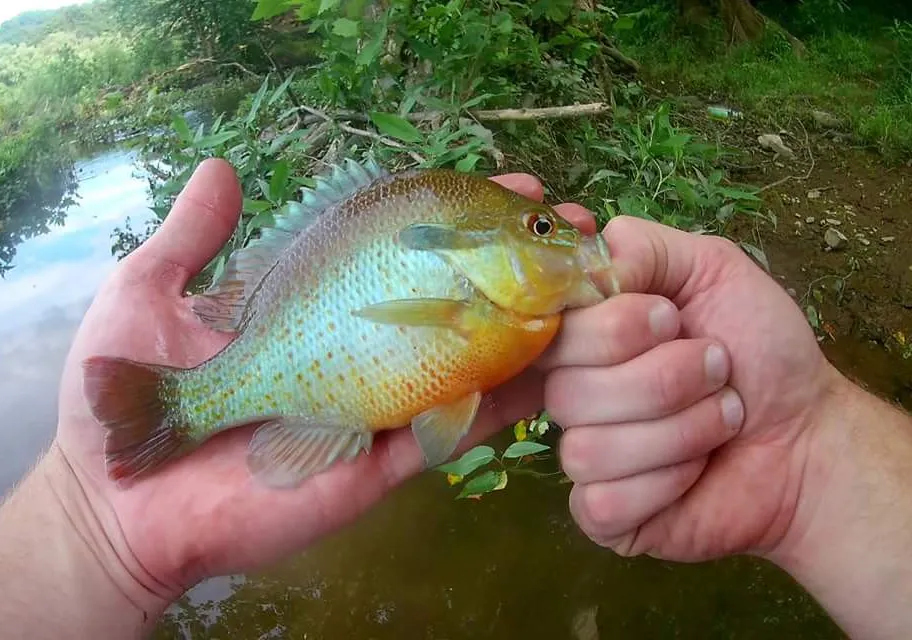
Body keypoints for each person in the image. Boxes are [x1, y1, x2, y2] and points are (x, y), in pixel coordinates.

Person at [0, 159, 909, 640]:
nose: (564, 242)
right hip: (295, 375)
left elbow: (442, 417)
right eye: (542, 232)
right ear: (486, 251)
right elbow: (436, 409)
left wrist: (812, 451)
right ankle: (187, 408)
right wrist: (93, 535)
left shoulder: (508, 323)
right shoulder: (485, 314)